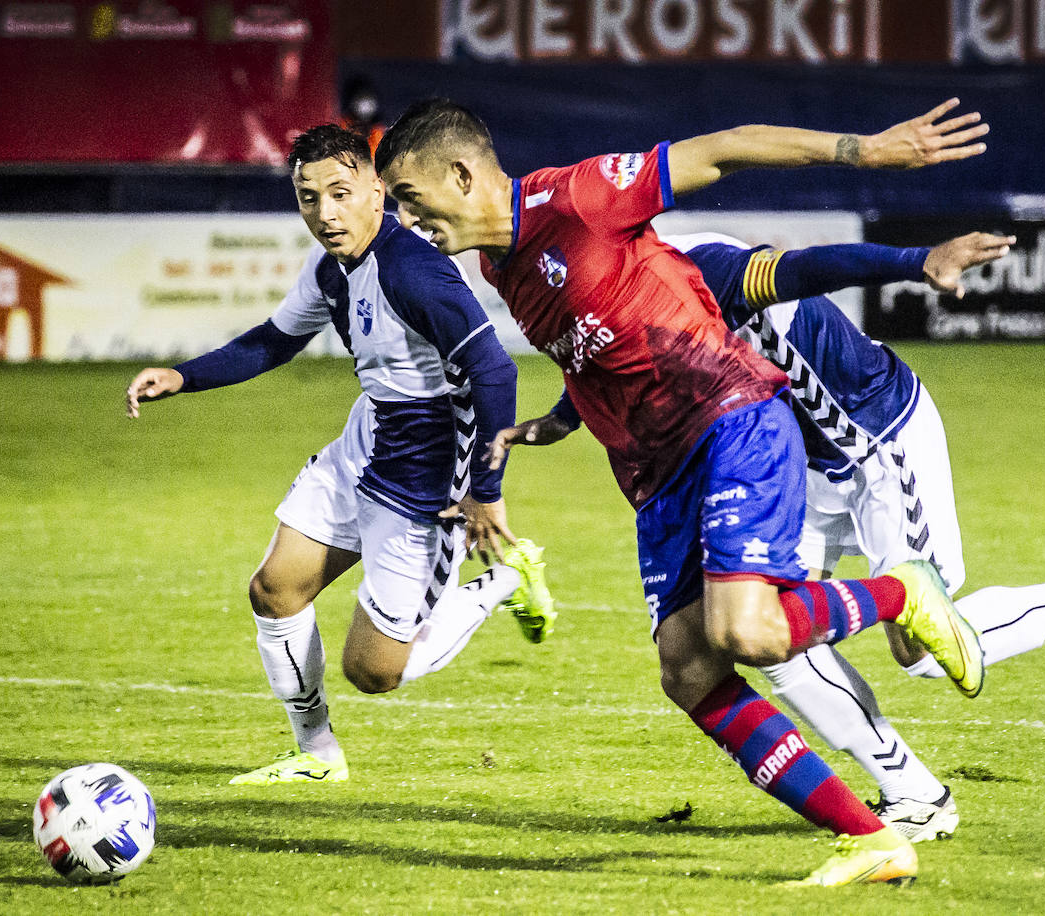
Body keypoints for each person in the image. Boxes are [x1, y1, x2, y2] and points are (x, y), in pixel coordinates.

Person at [378, 97, 992, 887]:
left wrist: (862, 151)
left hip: (730, 421)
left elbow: (729, 144)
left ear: (461, 175)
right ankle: (872, 837)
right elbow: (600, 341)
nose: (404, 217)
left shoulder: (579, 197)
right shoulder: (500, 264)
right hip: (655, 478)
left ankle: (899, 593)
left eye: (408, 196)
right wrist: (562, 423)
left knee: (753, 634)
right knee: (689, 671)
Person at [622, 229, 1045, 840]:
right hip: (798, 467)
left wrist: (918, 258)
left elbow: (815, 261)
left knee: (919, 651)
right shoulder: (629, 291)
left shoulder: (708, 268)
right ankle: (911, 791)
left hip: (881, 441)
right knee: (769, 635)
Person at [124, 125, 555, 785]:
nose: (325, 213)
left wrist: (486, 492)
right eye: (308, 197)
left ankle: (504, 579)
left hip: (427, 479)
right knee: (275, 590)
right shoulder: (332, 268)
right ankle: (316, 755)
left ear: (376, 192)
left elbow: (494, 371)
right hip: (367, 440)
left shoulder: (413, 271)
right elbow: (274, 339)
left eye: (340, 193)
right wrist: (182, 377)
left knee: (375, 671)